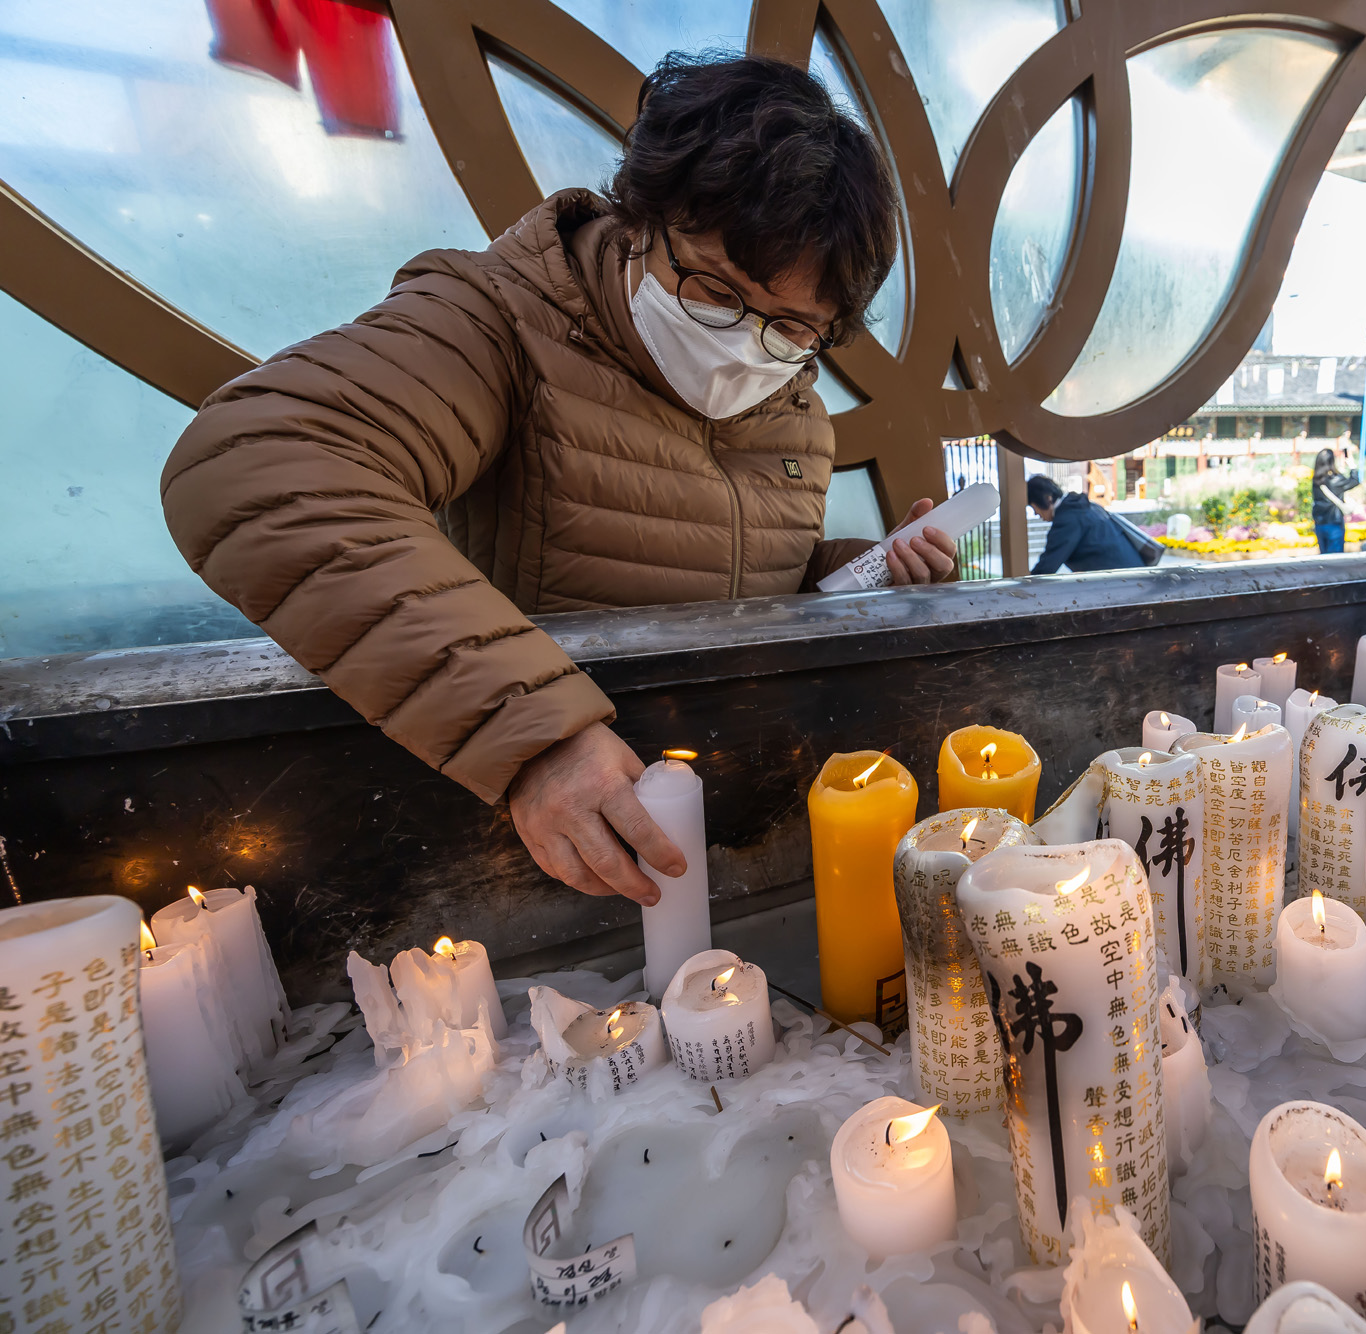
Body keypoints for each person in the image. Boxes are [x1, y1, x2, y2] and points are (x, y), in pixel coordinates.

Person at [159, 54, 958, 908]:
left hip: (738, 842)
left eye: (791, 327)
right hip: (522, 861)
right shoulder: (500, 321)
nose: (742, 343)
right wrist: (531, 732)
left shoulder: (794, 410)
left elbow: (738, 573)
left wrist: (862, 573)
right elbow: (258, 458)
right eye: (713, 289)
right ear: (641, 217)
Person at [1027, 474, 1144, 573]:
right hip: (1131, 572)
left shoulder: (1068, 519)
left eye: (1033, 507)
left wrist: (1024, 586)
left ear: (1047, 498)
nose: (1036, 514)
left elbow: (1048, 565)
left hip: (1120, 579)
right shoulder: (1082, 506)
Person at [1310, 447, 1357, 554]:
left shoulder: (1316, 480)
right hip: (1334, 524)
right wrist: (1352, 465)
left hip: (1320, 524)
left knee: (1324, 558)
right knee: (1335, 559)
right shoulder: (1336, 479)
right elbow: (1354, 481)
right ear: (1332, 461)